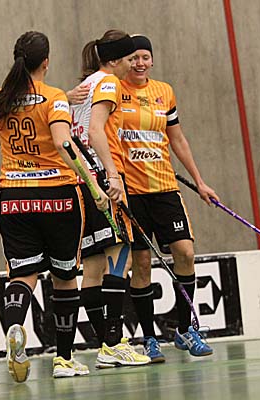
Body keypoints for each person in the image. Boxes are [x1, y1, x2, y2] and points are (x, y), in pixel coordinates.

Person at [0, 31, 108, 381]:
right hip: (58, 197)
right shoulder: (54, 98)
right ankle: (63, 359)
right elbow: (64, 144)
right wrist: (93, 184)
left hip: (13, 198)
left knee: (23, 274)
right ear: (46, 62)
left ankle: (14, 327)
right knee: (64, 277)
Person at [120, 35, 217, 358]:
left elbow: (177, 139)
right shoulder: (115, 91)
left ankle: (185, 330)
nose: (140, 63)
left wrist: (200, 182)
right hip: (132, 193)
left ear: (152, 59)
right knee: (141, 264)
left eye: (145, 57)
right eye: (134, 58)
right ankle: (149, 338)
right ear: (125, 61)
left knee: (185, 253)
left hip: (165, 189)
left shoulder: (165, 91)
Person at [71, 30, 150, 368]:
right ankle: (113, 342)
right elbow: (94, 130)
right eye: (130, 59)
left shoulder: (85, 85)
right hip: (103, 179)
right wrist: (113, 175)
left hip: (81, 182)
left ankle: (105, 343)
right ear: (115, 60)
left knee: (92, 267)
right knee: (120, 258)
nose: (133, 64)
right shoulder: (108, 83)